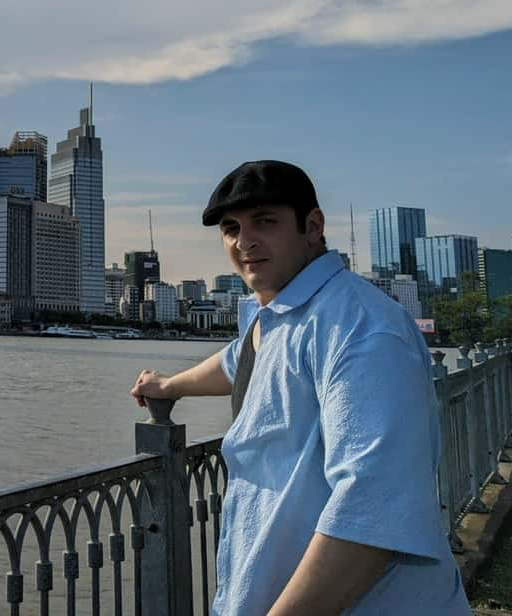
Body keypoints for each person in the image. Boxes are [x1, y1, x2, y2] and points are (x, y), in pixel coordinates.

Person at [129, 160, 469, 615]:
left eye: (265, 222)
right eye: (231, 228)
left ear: (312, 227)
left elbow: (370, 515)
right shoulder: (276, 316)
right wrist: (168, 386)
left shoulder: (360, 328)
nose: (244, 241)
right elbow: (236, 363)